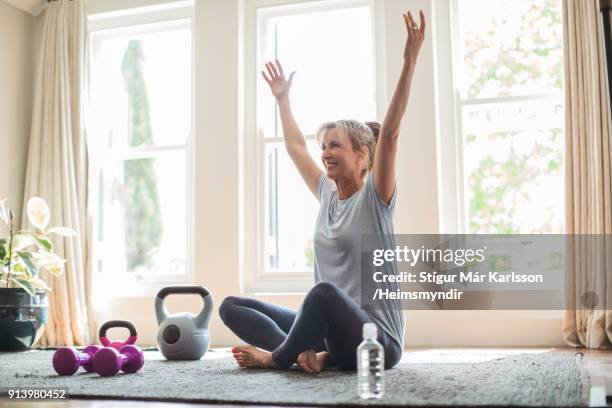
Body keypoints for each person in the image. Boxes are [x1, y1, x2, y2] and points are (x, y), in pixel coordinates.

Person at [219, 10, 425, 373]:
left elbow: (390, 133)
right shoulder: (328, 193)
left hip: (379, 344)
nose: (326, 153)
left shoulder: (375, 199)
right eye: (325, 146)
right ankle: (315, 355)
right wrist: (283, 99)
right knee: (232, 306)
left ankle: (280, 359)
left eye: (336, 146)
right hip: (335, 332)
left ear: (362, 156)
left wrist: (409, 62)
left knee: (322, 294)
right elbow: (297, 147)